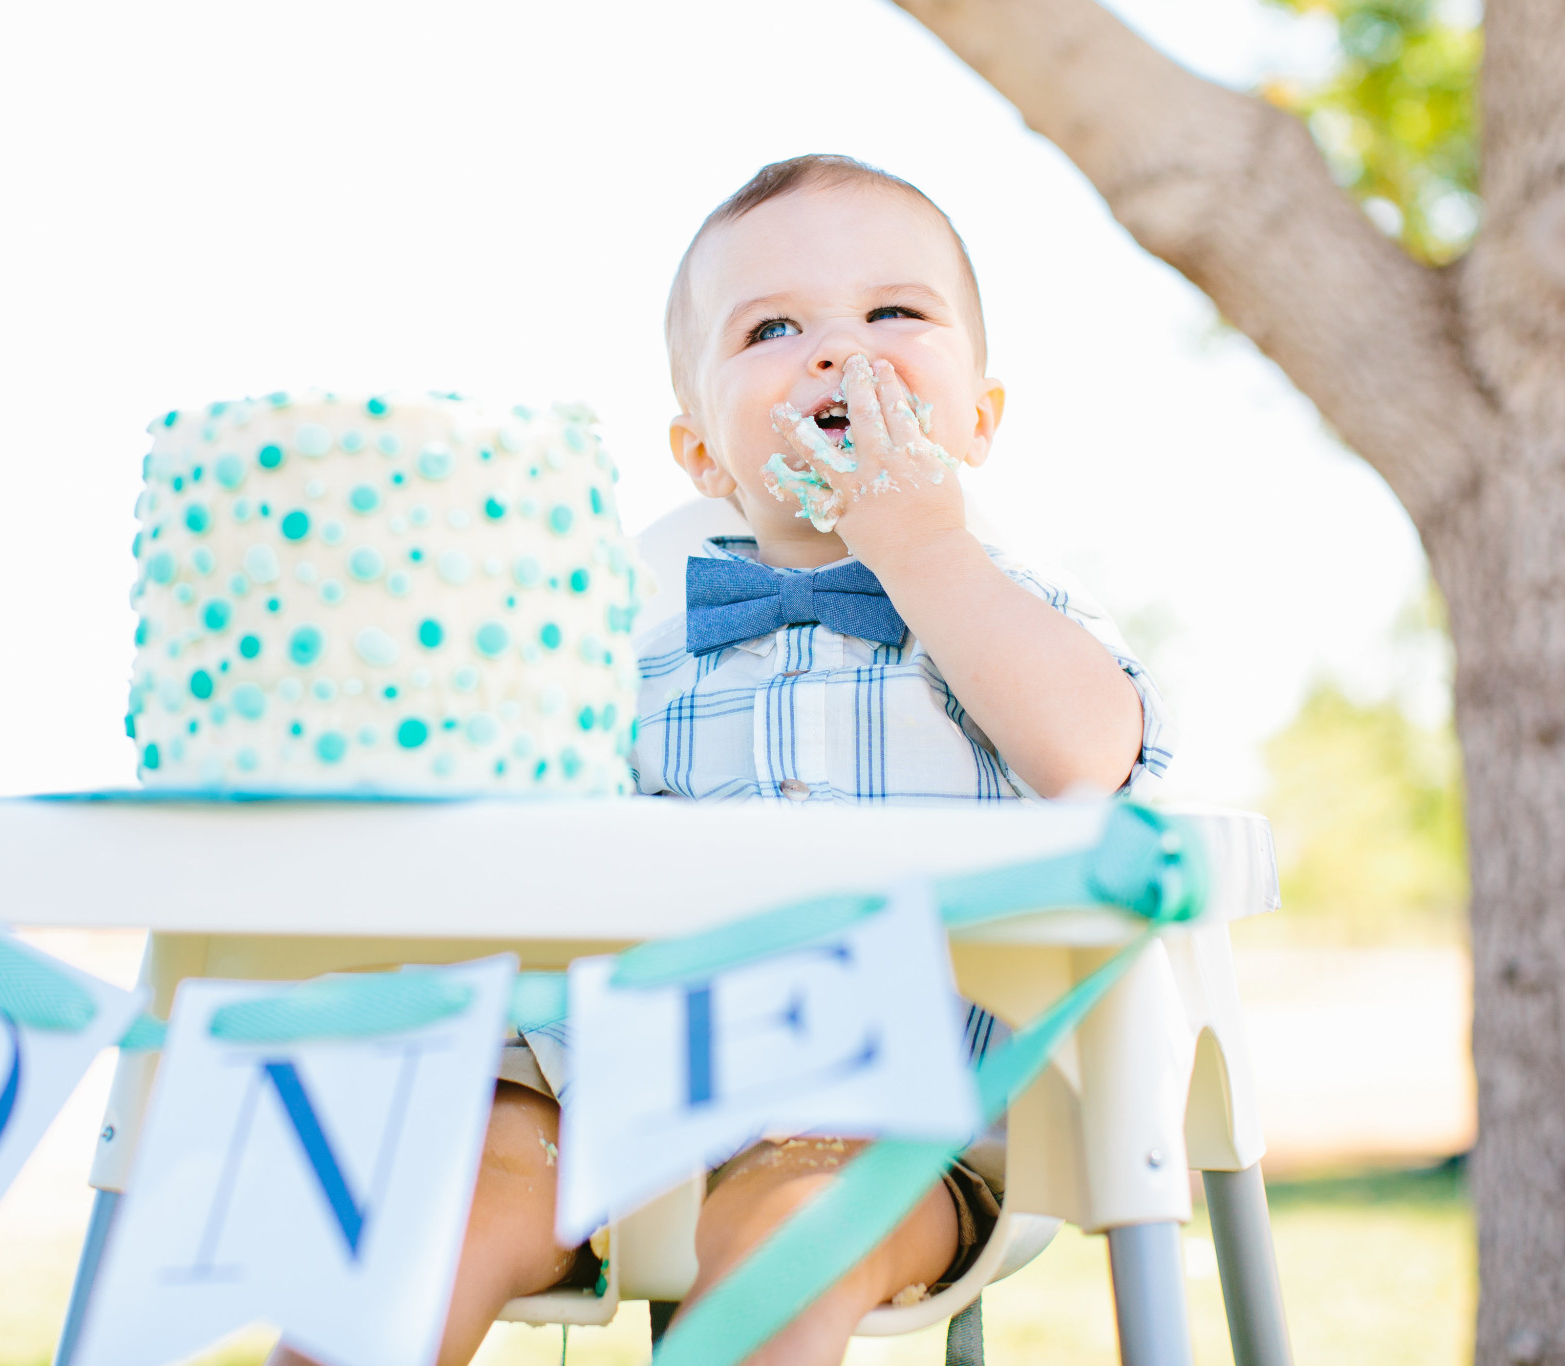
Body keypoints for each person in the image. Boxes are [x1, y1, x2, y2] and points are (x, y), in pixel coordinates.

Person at [273, 153, 1174, 1366]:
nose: (833, 349)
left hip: (891, 1123)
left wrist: (926, 551)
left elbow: (1090, 757)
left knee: (788, 1233)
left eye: (893, 312)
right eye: (773, 326)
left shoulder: (1013, 613)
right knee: (432, 1206)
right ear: (701, 455)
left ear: (978, 418)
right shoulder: (610, 642)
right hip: (592, 1094)